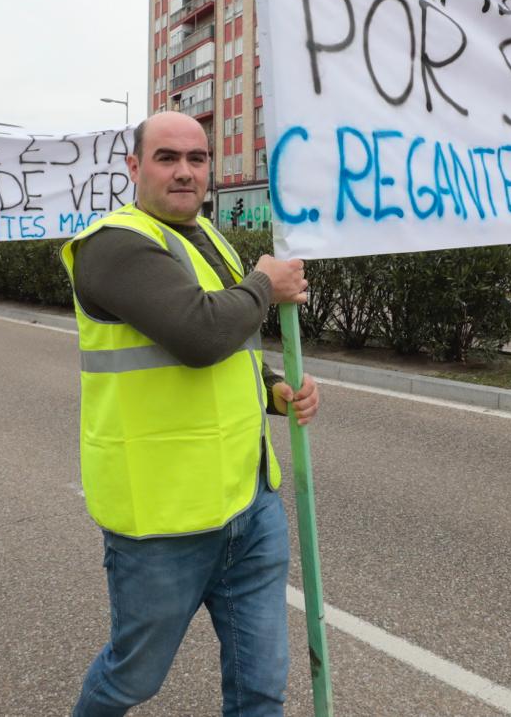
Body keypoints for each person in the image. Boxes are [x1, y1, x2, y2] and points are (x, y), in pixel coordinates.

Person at [61, 111, 317, 717]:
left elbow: (231, 344)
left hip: (248, 504)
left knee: (260, 689)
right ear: (134, 167)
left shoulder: (207, 236)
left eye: (196, 159)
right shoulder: (113, 245)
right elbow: (200, 334)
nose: (184, 172)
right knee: (132, 681)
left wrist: (274, 388)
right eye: (167, 158)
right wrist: (264, 284)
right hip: (163, 520)